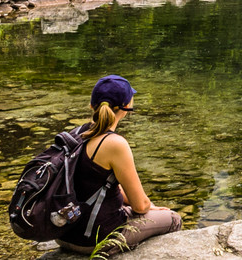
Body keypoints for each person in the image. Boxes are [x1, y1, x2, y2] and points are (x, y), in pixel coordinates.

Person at [57, 75, 182, 255]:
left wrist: (140, 205)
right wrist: (148, 206)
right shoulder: (115, 144)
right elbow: (140, 207)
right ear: (126, 107)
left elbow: (96, 185)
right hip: (94, 240)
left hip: (63, 233)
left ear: (93, 105)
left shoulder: (77, 133)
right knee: (173, 219)